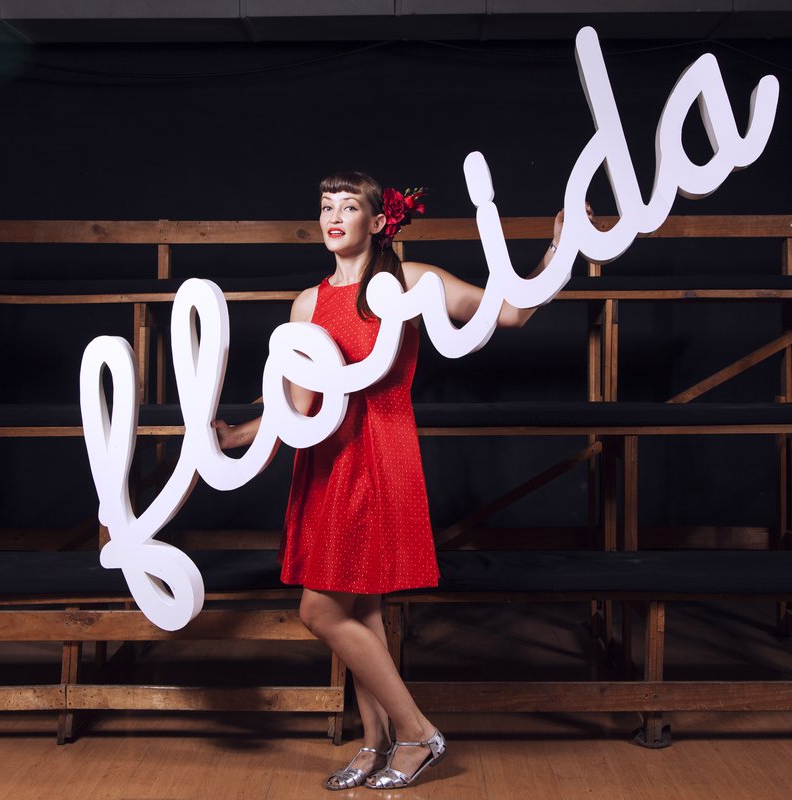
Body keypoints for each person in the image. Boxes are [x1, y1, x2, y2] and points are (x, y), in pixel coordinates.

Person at [213, 170, 565, 790]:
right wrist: (235, 436)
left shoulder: (410, 283)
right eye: (326, 205)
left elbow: (510, 313)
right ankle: (375, 744)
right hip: (325, 463)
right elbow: (295, 404)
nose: (333, 216)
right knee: (362, 611)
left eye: (348, 206)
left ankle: (418, 733)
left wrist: (558, 252)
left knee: (320, 610)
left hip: (379, 454)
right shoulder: (307, 304)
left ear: (377, 222)